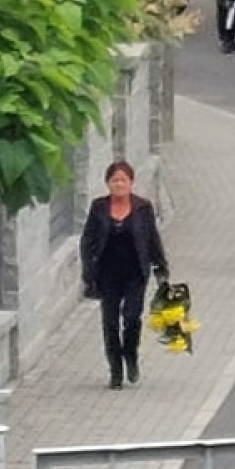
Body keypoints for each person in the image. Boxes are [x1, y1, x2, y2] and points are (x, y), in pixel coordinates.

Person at [79, 161, 170, 390]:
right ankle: (115, 370)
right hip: (107, 275)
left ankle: (130, 356)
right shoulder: (99, 207)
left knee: (131, 318)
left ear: (131, 183)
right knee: (109, 322)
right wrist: (88, 271)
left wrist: (160, 267)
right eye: (114, 180)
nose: (119, 184)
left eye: (123, 180)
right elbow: (87, 241)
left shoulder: (143, 208)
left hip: (134, 274)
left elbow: (152, 239)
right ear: (108, 183)